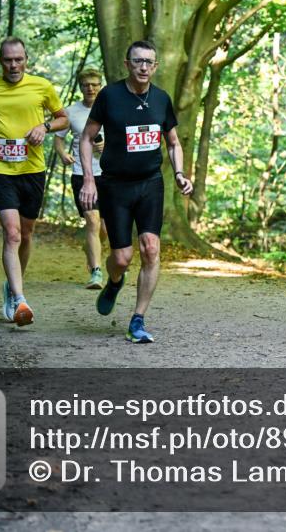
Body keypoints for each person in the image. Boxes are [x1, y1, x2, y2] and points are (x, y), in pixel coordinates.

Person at [78, 40, 193, 344]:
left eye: (149, 62)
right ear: (127, 64)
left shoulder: (161, 99)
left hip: (150, 183)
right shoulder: (110, 96)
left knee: (151, 248)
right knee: (122, 258)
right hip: (115, 185)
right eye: (138, 61)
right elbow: (87, 139)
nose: (144, 67)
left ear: (155, 66)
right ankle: (114, 283)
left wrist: (180, 173)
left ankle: (138, 319)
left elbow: (173, 143)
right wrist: (89, 179)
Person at [0, 37, 69, 327]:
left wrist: (45, 127)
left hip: (33, 169)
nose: (13, 65)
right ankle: (19, 298)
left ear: (26, 59)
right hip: (1, 169)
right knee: (12, 234)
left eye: (18, 59)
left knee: (26, 234)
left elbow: (63, 118)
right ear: (0, 61)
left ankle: (12, 286)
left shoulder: (42, 86)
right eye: (7, 60)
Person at [55, 68, 107, 289]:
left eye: (95, 84)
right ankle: (96, 272)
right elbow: (59, 138)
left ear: (100, 86)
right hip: (81, 174)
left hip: (108, 174)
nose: (91, 88)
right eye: (86, 85)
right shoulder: (71, 111)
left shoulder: (111, 108)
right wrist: (62, 153)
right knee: (92, 221)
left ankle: (90, 249)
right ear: (80, 87)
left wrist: (108, 145)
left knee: (105, 229)